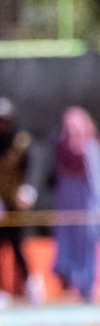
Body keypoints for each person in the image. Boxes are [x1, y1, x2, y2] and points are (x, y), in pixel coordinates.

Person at [0, 98, 40, 307]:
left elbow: (33, 168)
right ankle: (0, 291)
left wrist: (29, 188)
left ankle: (30, 284)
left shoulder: (21, 143)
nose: (1, 126)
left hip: (15, 205)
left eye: (5, 121)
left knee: (17, 246)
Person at [51, 106, 100, 302]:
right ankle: (70, 279)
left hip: (88, 205)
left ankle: (86, 285)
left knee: (87, 241)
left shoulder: (91, 149)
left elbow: (96, 182)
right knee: (67, 240)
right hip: (67, 205)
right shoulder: (60, 147)